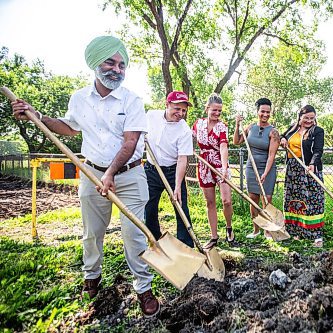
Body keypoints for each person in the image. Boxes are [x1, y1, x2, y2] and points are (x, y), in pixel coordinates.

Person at [11, 36, 159, 317]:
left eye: (122, 65)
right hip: (92, 174)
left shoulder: (132, 100)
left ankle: (144, 288)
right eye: (110, 62)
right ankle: (91, 276)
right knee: (92, 233)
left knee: (134, 236)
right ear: (95, 64)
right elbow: (69, 127)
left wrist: (112, 173)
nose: (117, 69)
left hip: (129, 174)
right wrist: (37, 116)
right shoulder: (79, 98)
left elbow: (129, 143)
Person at [144, 91, 195, 248]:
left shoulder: (184, 130)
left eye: (184, 111)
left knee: (180, 205)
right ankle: (155, 241)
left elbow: (182, 159)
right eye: (177, 109)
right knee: (149, 206)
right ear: (166, 105)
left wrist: (178, 186)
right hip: (151, 169)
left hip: (173, 172)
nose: (180, 114)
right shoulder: (151, 116)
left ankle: (186, 245)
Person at [192, 93, 235, 249]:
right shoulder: (198, 124)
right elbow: (188, 138)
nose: (217, 114)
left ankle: (229, 227)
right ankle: (214, 236)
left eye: (219, 111)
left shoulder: (222, 126)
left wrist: (224, 167)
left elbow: (223, 146)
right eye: (214, 110)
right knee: (210, 202)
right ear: (207, 108)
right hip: (204, 165)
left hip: (219, 164)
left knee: (226, 200)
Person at [233, 98, 279, 239]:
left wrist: (265, 173)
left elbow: (271, 155)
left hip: (267, 169)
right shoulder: (250, 127)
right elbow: (236, 142)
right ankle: (256, 230)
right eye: (262, 111)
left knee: (267, 200)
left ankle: (267, 230)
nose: (265, 114)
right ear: (257, 111)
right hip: (251, 168)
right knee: (253, 199)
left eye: (268, 112)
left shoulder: (274, 132)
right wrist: (237, 125)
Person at [280, 105, 325, 247]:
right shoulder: (292, 128)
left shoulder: (317, 131)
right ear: (300, 117)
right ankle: (296, 231)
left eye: (312, 118)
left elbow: (318, 150)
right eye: (306, 118)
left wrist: (312, 164)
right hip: (293, 169)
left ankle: (316, 234)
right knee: (295, 199)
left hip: (309, 169)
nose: (309, 121)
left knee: (312, 200)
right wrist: (282, 139)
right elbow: (282, 136)